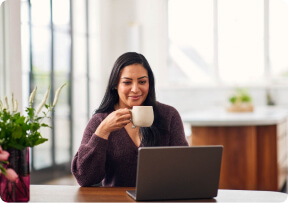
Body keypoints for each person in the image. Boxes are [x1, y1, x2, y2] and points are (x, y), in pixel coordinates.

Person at [71, 52, 188, 187]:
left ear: (149, 83)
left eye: (142, 82)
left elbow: (183, 168)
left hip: (159, 199)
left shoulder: (169, 116)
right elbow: (84, 178)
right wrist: (103, 131)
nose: (135, 89)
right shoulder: (99, 121)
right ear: (115, 84)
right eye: (127, 82)